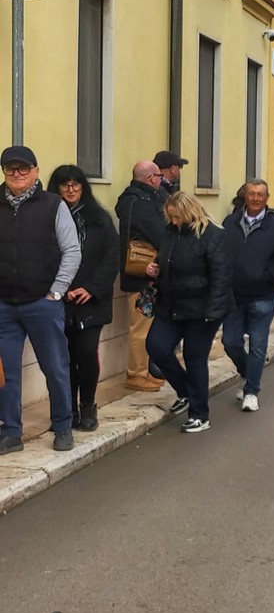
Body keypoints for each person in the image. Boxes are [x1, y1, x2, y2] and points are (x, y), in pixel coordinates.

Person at [0, 146, 82, 454]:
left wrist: (57, 291)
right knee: (6, 373)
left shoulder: (53, 205)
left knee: (55, 367)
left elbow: (72, 250)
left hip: (42, 303)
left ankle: (62, 426)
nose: (17, 174)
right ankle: (11, 432)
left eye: (23, 168)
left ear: (35, 171)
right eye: (10, 169)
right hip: (4, 305)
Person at [145, 192, 234, 434]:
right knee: (156, 347)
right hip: (171, 306)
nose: (174, 221)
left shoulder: (213, 235)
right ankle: (186, 391)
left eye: (177, 217)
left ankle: (199, 414)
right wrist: (155, 268)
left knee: (195, 358)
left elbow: (221, 275)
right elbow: (167, 262)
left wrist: (213, 311)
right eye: (171, 217)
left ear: (190, 212)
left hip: (202, 310)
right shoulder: (170, 233)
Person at [48, 165, 119, 433]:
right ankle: (68, 410)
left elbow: (111, 257)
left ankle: (88, 405)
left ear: (83, 187)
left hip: (91, 300)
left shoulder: (99, 218)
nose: (71, 189)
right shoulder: (47, 216)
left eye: (76, 184)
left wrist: (91, 288)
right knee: (63, 357)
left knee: (86, 352)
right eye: (64, 184)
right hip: (58, 297)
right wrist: (58, 287)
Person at [221, 179, 274, 413]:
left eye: (260, 195)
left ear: (267, 198)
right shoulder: (230, 223)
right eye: (252, 194)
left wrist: (268, 276)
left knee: (257, 345)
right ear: (245, 196)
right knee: (230, 342)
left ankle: (251, 391)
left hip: (263, 295)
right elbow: (220, 252)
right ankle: (248, 373)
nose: (255, 198)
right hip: (234, 295)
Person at [116, 161, 168, 391]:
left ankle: (145, 371)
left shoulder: (136, 199)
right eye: (159, 177)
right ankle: (136, 374)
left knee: (147, 327)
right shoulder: (141, 203)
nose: (161, 181)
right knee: (141, 329)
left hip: (144, 277)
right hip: (140, 277)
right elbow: (159, 234)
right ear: (150, 178)